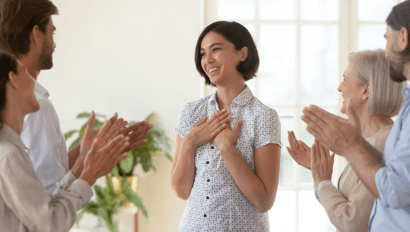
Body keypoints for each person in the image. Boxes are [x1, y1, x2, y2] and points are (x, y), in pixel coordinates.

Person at [0, 0, 153, 196]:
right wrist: (93, 169)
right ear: (36, 34)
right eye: (52, 32)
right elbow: (49, 205)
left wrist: (86, 151)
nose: (54, 44)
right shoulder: (36, 106)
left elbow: (45, 176)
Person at [301, 1, 410, 231]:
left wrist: (349, 148)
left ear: (402, 37)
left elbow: (389, 194)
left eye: (386, 38)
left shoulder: (385, 134)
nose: (339, 87)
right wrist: (345, 146)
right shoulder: (404, 113)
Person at [0, 50, 131, 232]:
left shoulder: (10, 150)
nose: (37, 85)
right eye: (25, 72)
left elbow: (43, 213)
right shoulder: (8, 156)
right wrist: (89, 175)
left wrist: (81, 163)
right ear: (13, 80)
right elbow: (51, 224)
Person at [171, 21, 281, 231]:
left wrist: (227, 149)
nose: (207, 59)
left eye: (216, 50)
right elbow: (181, 190)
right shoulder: (191, 113)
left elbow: (264, 201)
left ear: (242, 54)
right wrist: (189, 144)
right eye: (203, 54)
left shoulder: (263, 117)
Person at [287, 49, 406, 232]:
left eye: (344, 78)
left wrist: (322, 182)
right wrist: (318, 170)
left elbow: (353, 222)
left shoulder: (382, 143)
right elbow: (348, 207)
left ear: (366, 90)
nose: (339, 87)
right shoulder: (370, 141)